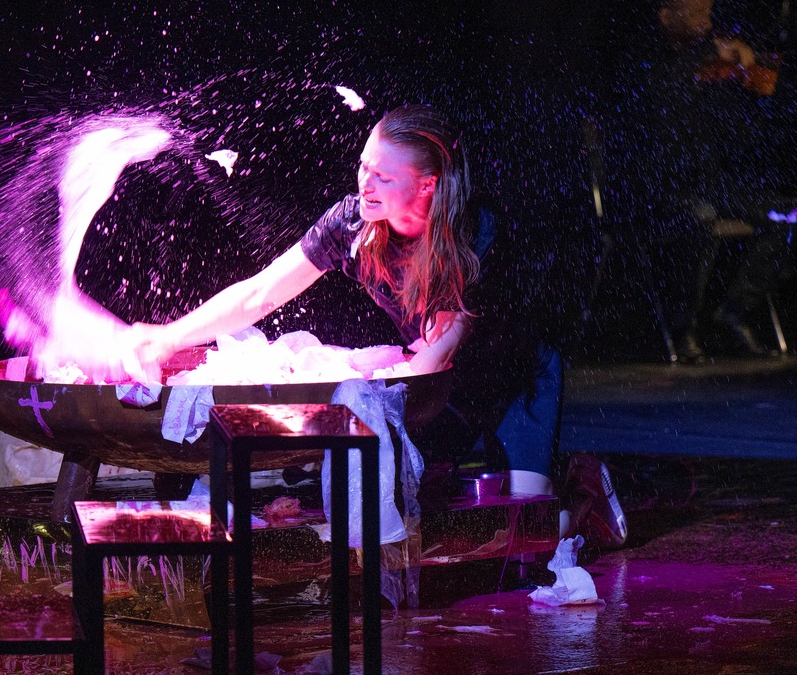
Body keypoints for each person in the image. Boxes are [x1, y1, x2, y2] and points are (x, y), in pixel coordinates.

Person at [130, 104, 627, 547]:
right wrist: (169, 335)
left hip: (512, 381)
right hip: (441, 389)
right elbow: (261, 292)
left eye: (383, 177)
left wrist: (354, 382)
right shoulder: (353, 223)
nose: (364, 183)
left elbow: (438, 355)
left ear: (426, 185)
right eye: (364, 166)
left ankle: (583, 495)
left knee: (530, 538)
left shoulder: (476, 236)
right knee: (414, 514)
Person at [614, 0, 797, 362]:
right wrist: (715, 51)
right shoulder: (643, 57)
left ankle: (732, 314)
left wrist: (748, 74)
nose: (707, 20)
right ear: (666, 15)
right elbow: (664, 91)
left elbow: (750, 112)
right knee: (700, 220)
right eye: (697, 12)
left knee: (794, 214)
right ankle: (682, 328)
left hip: (708, 181)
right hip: (657, 188)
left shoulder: (710, 61)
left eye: (708, 11)